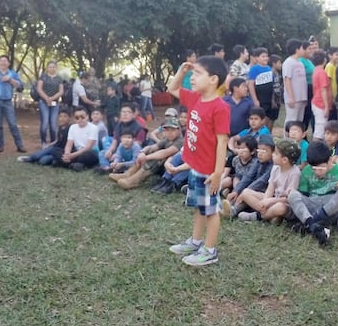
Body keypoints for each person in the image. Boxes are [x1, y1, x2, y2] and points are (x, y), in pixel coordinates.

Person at [166, 55, 230, 266]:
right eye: (192, 74)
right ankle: (195, 242)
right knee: (199, 207)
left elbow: (222, 143)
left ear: (213, 79)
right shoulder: (195, 98)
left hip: (208, 171)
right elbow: (172, 89)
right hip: (196, 165)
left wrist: (218, 173)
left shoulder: (220, 108)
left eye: (197, 74)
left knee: (211, 211)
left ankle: (209, 251)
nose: (192, 78)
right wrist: (182, 71)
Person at [288, 141, 338, 246]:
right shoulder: (306, 171)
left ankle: (310, 223)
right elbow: (303, 195)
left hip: (331, 209)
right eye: (314, 169)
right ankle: (313, 225)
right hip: (313, 205)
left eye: (321, 168)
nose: (317, 172)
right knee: (293, 195)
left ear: (329, 160)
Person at [237, 138, 301, 223]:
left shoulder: (295, 173)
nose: (273, 155)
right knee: (246, 192)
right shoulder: (275, 168)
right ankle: (270, 215)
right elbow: (270, 188)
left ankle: (258, 216)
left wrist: (270, 201)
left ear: (284, 160)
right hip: (273, 199)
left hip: (284, 203)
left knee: (280, 207)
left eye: (276, 153)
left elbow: (289, 198)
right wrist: (265, 201)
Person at [113, 117, 182, 190]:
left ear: (179, 130)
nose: (169, 133)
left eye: (173, 130)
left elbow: (165, 153)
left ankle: (134, 180)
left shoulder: (181, 141)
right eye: (167, 130)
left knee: (159, 157)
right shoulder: (167, 139)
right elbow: (153, 147)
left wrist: (146, 157)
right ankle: (128, 174)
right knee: (150, 152)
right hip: (165, 167)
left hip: (173, 168)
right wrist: (142, 152)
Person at [0, 55, 25, 153]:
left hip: (8, 102)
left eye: (5, 61)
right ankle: (0, 146)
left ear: (8, 63)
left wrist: (10, 80)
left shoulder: (13, 74)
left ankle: (20, 146)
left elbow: (20, 86)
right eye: (1, 61)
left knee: (13, 124)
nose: (3, 63)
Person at [52, 106, 99, 171]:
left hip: (89, 152)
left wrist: (72, 156)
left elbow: (88, 147)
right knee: (55, 150)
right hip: (76, 152)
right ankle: (76, 164)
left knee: (87, 155)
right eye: (77, 118)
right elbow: (69, 144)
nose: (80, 119)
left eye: (82, 117)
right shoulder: (72, 127)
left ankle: (66, 163)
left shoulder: (93, 128)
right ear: (74, 119)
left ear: (87, 116)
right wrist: (67, 154)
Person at [36, 60, 64, 146]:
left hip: (54, 103)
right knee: (44, 122)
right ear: (47, 68)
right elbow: (39, 89)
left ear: (56, 68)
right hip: (43, 102)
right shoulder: (43, 77)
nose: (52, 68)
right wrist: (46, 98)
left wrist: (52, 98)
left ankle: (52, 142)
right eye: (50, 67)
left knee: (53, 123)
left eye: (53, 67)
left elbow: (61, 91)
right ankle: (43, 142)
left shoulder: (59, 78)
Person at [282, 39, 308, 129]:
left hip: (302, 97)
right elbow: (287, 80)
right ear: (297, 49)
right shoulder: (288, 62)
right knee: (291, 120)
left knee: (299, 121)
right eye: (301, 48)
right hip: (293, 98)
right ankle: (287, 141)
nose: (303, 50)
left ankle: (296, 140)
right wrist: (291, 97)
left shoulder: (300, 62)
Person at [311, 49, 332, 141]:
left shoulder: (315, 71)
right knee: (320, 130)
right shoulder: (322, 72)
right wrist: (327, 106)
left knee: (319, 127)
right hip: (320, 103)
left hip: (316, 101)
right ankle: (316, 148)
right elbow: (323, 90)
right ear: (324, 60)